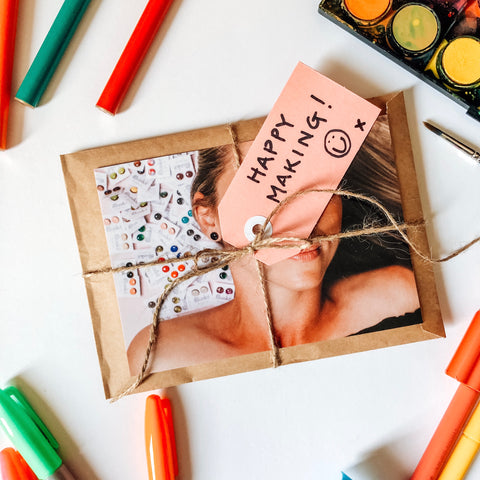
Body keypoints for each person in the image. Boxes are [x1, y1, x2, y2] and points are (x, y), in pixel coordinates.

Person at [128, 116, 421, 373]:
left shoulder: (399, 298)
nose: (301, 223)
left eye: (317, 188)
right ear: (208, 218)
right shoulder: (162, 355)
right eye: (264, 194)